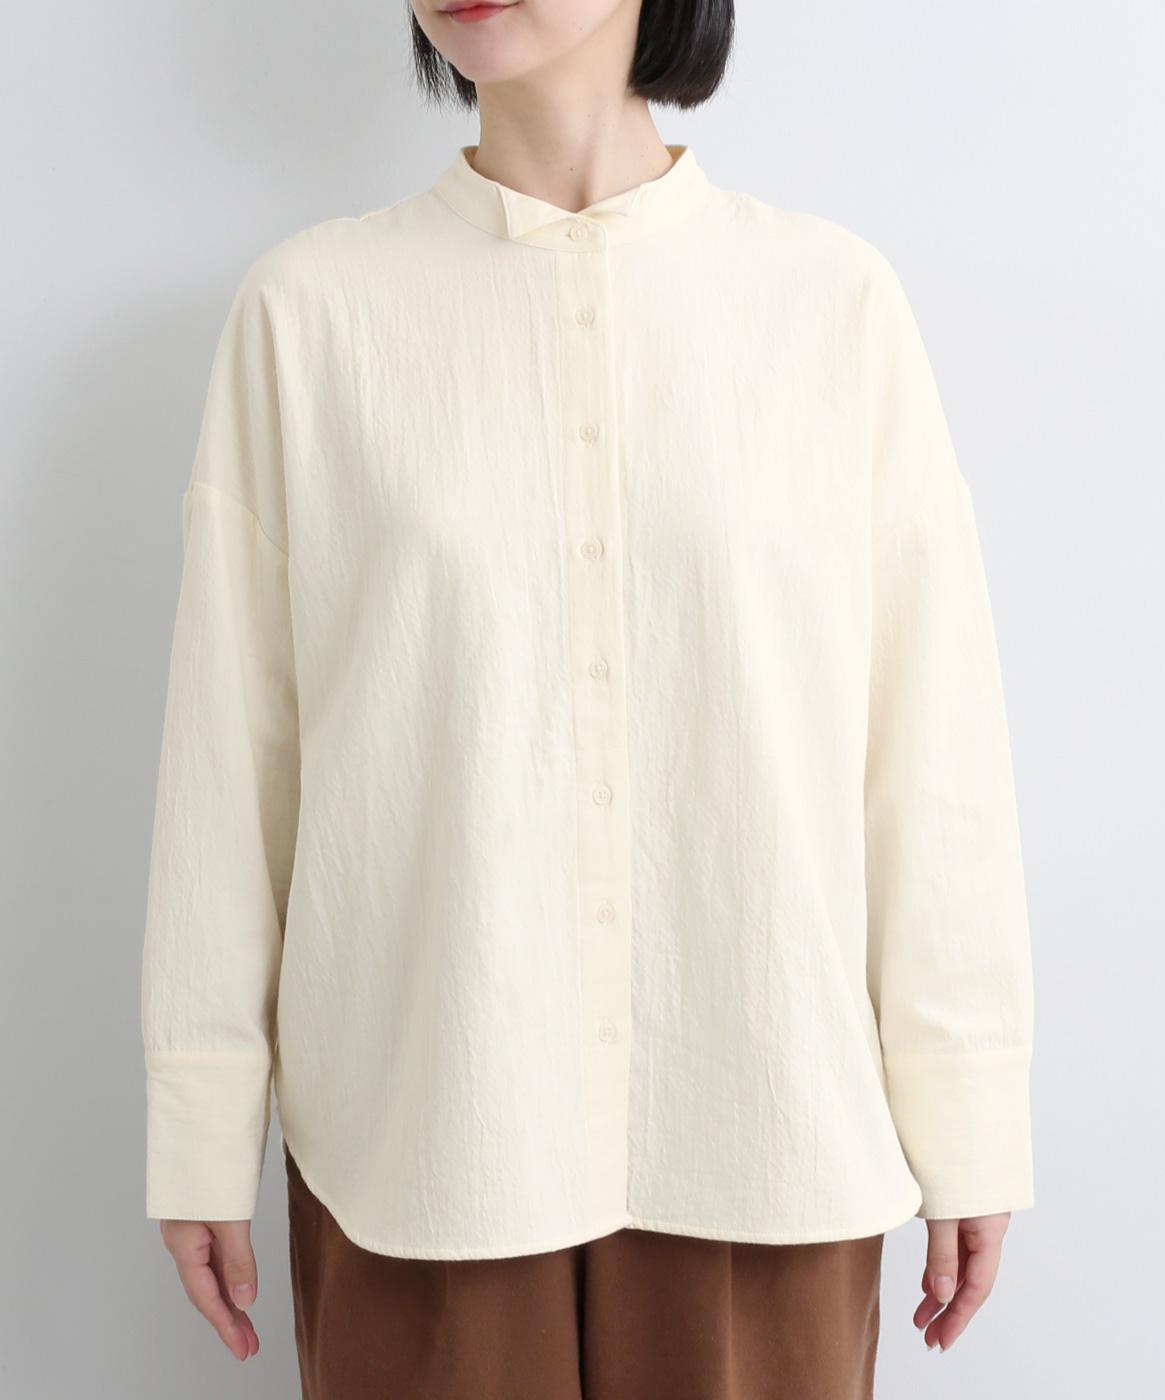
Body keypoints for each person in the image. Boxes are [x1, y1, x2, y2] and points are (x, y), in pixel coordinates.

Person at [140, 2, 1036, 1396]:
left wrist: (966, 1107)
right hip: (426, 1138)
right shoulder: (310, 315)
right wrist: (200, 1119)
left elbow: (929, 752)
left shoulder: (832, 307)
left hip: (766, 1125)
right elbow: (232, 758)